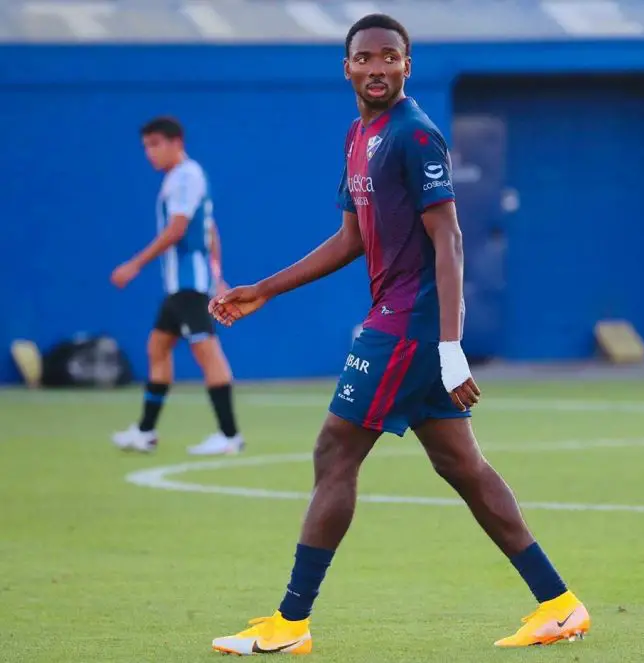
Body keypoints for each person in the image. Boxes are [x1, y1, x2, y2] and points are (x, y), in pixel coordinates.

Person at [208, 14, 590, 654]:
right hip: (405, 323)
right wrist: (266, 288)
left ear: (408, 65)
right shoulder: (360, 135)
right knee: (462, 466)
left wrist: (450, 346)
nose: (378, 67)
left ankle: (290, 623)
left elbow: (451, 239)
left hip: (406, 325)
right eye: (365, 58)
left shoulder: (414, 134)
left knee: (335, 452)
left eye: (390, 56)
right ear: (348, 69)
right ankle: (559, 604)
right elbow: (350, 239)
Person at [110, 116, 244, 456]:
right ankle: (145, 431)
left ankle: (229, 435)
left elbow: (177, 229)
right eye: (146, 146)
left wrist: (135, 264)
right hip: (180, 286)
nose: (150, 153)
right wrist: (218, 274)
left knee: (207, 352)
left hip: (189, 285)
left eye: (155, 144)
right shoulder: (179, 178)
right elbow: (211, 229)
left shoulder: (186, 176)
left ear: (176, 143)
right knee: (157, 348)